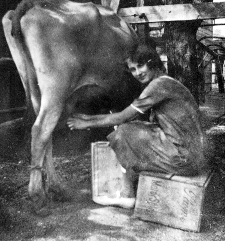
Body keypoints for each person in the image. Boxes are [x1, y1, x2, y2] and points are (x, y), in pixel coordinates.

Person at [67, 45, 206, 209]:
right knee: (134, 128)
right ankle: (129, 188)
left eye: (140, 66)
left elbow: (122, 117)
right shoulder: (166, 82)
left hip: (185, 159)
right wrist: (93, 118)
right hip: (192, 156)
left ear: (152, 63)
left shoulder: (159, 85)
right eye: (132, 69)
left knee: (124, 131)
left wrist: (87, 122)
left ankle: (127, 195)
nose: (137, 73)